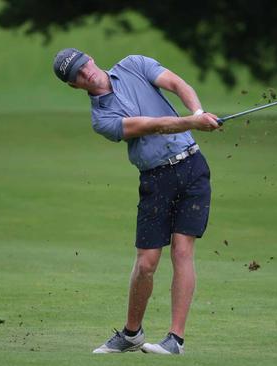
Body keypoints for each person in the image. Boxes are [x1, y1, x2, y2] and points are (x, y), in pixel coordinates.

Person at [53, 48, 220, 355]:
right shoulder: (102, 118)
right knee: (146, 262)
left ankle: (175, 340)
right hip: (155, 180)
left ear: (90, 57)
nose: (85, 72)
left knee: (183, 251)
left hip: (192, 167)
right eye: (76, 74)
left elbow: (178, 84)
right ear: (74, 86)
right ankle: (132, 335)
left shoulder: (134, 64)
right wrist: (193, 123)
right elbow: (152, 125)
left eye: (83, 64)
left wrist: (197, 113)